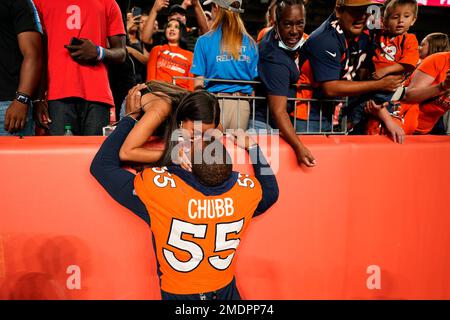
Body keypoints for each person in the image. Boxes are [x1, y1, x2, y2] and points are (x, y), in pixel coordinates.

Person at [90, 84, 279, 300]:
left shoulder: (159, 191)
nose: (200, 141)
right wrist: (254, 149)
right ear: (232, 174)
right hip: (224, 289)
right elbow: (271, 193)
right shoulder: (243, 193)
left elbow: (103, 165)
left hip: (180, 295)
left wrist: (131, 118)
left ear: (188, 166)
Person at [298, 0, 405, 143]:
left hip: (331, 112)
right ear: (339, 10)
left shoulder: (364, 33)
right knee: (311, 160)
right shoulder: (325, 39)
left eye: (366, 10)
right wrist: (380, 85)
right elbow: (330, 88)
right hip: (306, 113)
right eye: (356, 10)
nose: (362, 16)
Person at [34, 0, 127, 136]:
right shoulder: (41, 2)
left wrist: (98, 52)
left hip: (97, 95)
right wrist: (39, 98)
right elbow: (38, 53)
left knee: (94, 155)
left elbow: (121, 53)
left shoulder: (108, 3)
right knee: (61, 155)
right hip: (57, 94)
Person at [252, 0, 315, 167]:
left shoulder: (273, 35)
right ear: (276, 23)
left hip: (273, 125)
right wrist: (299, 146)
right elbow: (278, 111)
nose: (295, 31)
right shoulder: (274, 59)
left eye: (299, 23)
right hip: (263, 126)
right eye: (288, 24)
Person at [191, 0, 259, 130]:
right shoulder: (251, 43)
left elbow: (198, 83)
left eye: (211, 6)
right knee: (236, 149)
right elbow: (253, 84)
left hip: (214, 104)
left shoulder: (203, 41)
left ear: (216, 6)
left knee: (212, 149)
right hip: (242, 105)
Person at [363, 0, 419, 136]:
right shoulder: (381, 35)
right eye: (395, 17)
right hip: (372, 83)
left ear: (413, 20)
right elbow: (371, 20)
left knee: (377, 110)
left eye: (406, 16)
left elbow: (409, 63)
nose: (401, 21)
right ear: (385, 21)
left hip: (390, 88)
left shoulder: (409, 39)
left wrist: (385, 70)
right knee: (361, 107)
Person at [0, 0, 43, 136]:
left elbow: (33, 54)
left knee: (9, 158)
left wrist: (22, 98)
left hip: (7, 106)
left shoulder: (19, 2)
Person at [402, 52, 450, 134]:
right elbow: (409, 96)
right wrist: (442, 86)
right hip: (402, 125)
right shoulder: (438, 60)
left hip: (425, 131)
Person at [141, 0, 209, 51]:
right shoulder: (162, 37)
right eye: (174, 14)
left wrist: (196, 4)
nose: (178, 16)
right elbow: (145, 39)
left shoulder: (192, 35)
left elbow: (206, 32)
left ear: (185, 19)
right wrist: (154, 10)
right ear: (169, 19)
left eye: (182, 14)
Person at [147, 19, 194, 91]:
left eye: (176, 27)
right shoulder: (157, 49)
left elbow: (191, 82)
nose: (172, 29)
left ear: (181, 32)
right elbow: (150, 78)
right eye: (169, 26)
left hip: (181, 94)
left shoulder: (190, 55)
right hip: (160, 91)